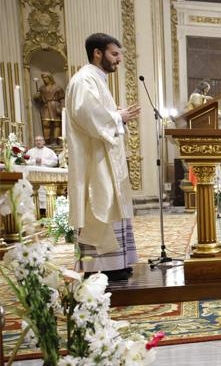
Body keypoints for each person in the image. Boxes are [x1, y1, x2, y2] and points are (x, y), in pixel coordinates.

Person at [66, 33, 140, 281]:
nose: (118, 60)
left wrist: (116, 115)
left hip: (105, 159)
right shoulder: (85, 80)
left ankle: (117, 262)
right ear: (98, 53)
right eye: (114, 54)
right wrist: (119, 117)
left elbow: (100, 115)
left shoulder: (96, 80)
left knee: (112, 204)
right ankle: (102, 265)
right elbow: (87, 114)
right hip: (94, 161)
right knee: (101, 203)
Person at [33, 72, 65, 144]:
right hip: (46, 107)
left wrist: (62, 108)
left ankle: (56, 141)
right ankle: (47, 141)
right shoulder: (42, 88)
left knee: (56, 124)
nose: (44, 79)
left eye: (46, 77)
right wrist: (37, 96)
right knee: (46, 123)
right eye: (43, 78)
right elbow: (39, 100)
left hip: (55, 106)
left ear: (50, 78)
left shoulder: (58, 88)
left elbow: (62, 98)